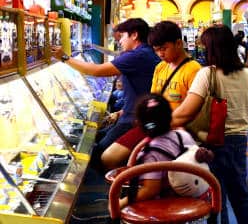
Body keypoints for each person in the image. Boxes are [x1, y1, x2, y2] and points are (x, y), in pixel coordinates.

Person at [172, 25, 248, 224]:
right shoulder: (247, 74)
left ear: (211, 49)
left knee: (216, 195)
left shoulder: (207, 74)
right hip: (239, 140)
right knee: (240, 194)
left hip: (213, 141)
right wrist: (239, 123)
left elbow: (187, 111)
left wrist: (163, 122)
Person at [51, 18, 160, 158]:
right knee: (96, 139)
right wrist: (120, 112)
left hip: (134, 120)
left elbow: (96, 71)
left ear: (134, 35)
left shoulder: (137, 55)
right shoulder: (144, 53)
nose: (120, 41)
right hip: (133, 115)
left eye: (122, 37)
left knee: (97, 154)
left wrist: (65, 58)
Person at [101, 21, 201, 170]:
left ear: (179, 43)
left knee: (111, 157)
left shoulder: (193, 69)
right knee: (108, 157)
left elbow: (190, 112)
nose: (160, 54)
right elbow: (154, 98)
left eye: (164, 48)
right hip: (152, 125)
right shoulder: (161, 67)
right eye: (157, 50)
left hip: (172, 129)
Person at [117, 94, 212, 209]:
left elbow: (151, 190)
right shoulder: (183, 136)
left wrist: (123, 202)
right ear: (170, 117)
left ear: (139, 124)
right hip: (195, 199)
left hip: (168, 206)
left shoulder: (150, 153)